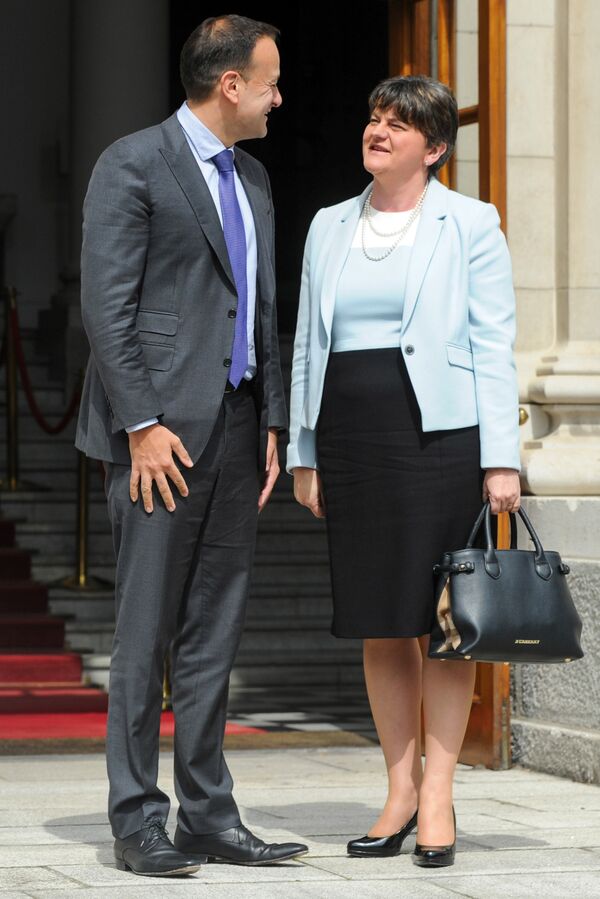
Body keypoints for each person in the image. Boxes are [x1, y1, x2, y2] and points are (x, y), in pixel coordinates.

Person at [76, 15, 307, 877]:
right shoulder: (131, 163)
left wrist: (274, 417)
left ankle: (208, 813)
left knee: (215, 631)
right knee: (145, 633)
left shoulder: (254, 177)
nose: (281, 97)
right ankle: (137, 818)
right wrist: (140, 424)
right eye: (271, 80)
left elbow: (264, 306)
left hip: (241, 430)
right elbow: (109, 307)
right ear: (230, 84)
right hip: (159, 439)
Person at [287, 75, 521, 868]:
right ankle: (397, 789)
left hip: (440, 439)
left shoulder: (472, 223)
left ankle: (440, 794)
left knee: (443, 625)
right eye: (373, 116)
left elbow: (494, 344)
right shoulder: (327, 225)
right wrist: (304, 450)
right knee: (382, 619)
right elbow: (304, 345)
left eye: (399, 123)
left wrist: (502, 462)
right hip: (352, 436)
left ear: (435, 147)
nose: (378, 130)